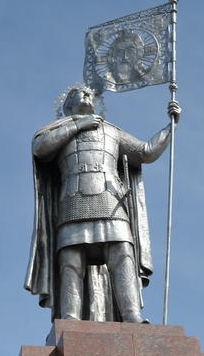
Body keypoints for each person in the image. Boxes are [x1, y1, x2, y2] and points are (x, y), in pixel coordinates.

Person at [25, 85, 181, 322]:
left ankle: (132, 316)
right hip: (72, 201)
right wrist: (78, 125)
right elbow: (40, 149)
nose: (87, 95)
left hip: (111, 202)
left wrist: (170, 126)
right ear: (67, 105)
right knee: (71, 262)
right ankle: (70, 319)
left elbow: (146, 152)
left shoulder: (111, 132)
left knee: (122, 255)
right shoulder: (58, 131)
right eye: (79, 93)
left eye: (90, 93)